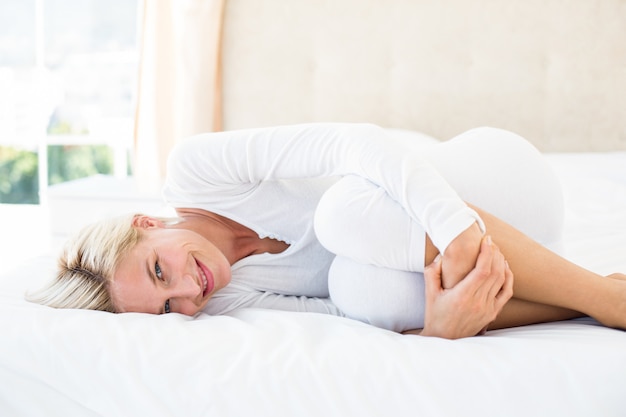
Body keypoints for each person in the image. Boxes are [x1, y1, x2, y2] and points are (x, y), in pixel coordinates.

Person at [28, 124, 626, 339]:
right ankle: (581, 302)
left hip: (498, 184)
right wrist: (436, 333)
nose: (188, 292)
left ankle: (607, 299)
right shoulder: (220, 301)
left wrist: (454, 229)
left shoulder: (196, 169)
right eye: (166, 310)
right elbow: (351, 323)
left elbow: (353, 143)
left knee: (342, 213)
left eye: (160, 270)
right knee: (360, 296)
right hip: (507, 260)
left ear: (144, 223)